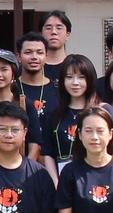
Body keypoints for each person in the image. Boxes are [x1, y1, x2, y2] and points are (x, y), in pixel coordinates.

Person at [31, 52, 105, 181]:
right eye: (69, 77)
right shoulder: (54, 115)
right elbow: (48, 153)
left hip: (94, 181)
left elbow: (112, 151)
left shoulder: (101, 112)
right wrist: (56, 184)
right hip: (63, 181)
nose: (75, 83)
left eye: (81, 77)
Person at [15, 33, 54, 131]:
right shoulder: (11, 88)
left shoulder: (58, 90)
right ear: (19, 57)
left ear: (46, 56)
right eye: (28, 52)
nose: (34, 57)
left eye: (39, 53)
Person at [38, 10, 73, 79]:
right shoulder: (32, 67)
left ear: (67, 35)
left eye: (59, 28)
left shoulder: (75, 67)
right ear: (41, 34)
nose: (54, 32)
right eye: (48, 28)